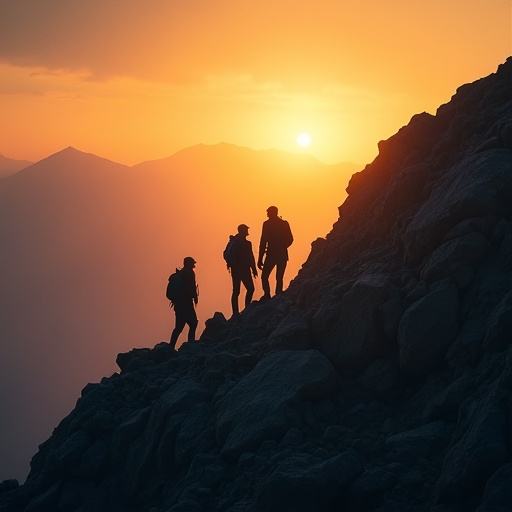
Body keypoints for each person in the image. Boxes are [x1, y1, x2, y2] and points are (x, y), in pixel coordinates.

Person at [257, 206, 293, 299]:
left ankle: (268, 294)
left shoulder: (267, 224)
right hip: (281, 254)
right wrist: (283, 246)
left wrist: (260, 258)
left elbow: (263, 241)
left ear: (273, 212)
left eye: (268, 212)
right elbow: (290, 239)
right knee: (279, 277)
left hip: (272, 254)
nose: (267, 214)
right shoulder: (283, 223)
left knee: (265, 276)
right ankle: (278, 294)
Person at [225, 224, 258, 316]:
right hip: (244, 269)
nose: (247, 231)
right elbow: (251, 257)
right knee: (250, 288)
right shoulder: (245, 244)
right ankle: (246, 308)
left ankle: (236, 312)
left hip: (236, 270)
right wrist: (254, 269)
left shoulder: (234, 242)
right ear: (243, 231)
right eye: (246, 230)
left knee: (236, 291)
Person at [169, 256, 198, 349]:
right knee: (193, 323)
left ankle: (171, 346)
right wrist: (195, 297)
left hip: (178, 304)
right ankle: (190, 343)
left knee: (179, 327)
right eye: (193, 263)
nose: (194, 265)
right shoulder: (190, 273)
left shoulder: (180, 274)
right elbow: (192, 287)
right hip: (187, 303)